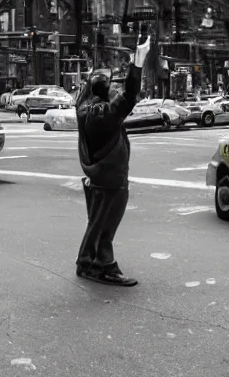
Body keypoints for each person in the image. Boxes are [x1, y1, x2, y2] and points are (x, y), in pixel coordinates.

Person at [74, 35, 150, 286]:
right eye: (109, 85)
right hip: (111, 177)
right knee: (105, 224)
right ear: (104, 91)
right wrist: (138, 60)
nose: (113, 88)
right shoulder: (102, 114)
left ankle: (87, 261)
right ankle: (104, 265)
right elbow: (130, 94)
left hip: (98, 175)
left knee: (97, 222)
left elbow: (97, 90)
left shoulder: (84, 106)